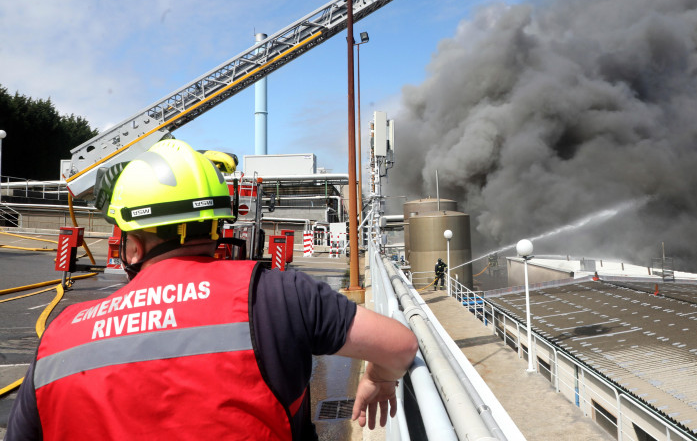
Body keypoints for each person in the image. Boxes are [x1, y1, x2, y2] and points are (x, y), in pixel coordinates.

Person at [5, 139, 418, 441]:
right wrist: (380, 380)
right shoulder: (280, 296)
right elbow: (398, 345)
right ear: (219, 224)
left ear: (132, 242)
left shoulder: (60, 336)